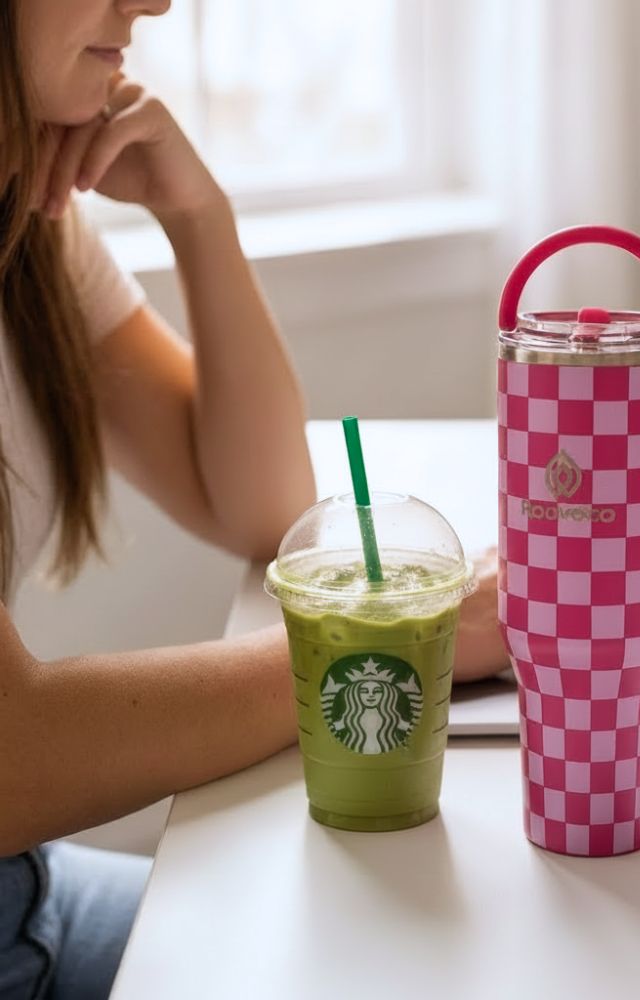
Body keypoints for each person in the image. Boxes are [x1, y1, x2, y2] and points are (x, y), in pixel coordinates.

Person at [0, 2, 506, 997]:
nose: (153, 2)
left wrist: (199, 214)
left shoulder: (28, 227)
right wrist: (393, 639)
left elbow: (261, 503)